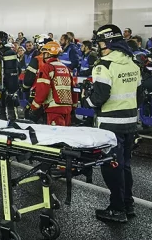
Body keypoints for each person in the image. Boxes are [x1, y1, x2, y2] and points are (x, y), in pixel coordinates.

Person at [81, 24, 141, 222]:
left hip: (110, 125)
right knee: (125, 165)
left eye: (99, 43)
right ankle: (128, 204)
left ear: (107, 43)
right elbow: (139, 94)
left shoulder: (103, 65)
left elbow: (99, 97)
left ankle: (117, 209)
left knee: (111, 167)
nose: (98, 47)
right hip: (130, 123)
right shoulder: (133, 63)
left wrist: (85, 101)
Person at [27, 41, 73, 126]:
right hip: (67, 109)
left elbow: (42, 90)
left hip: (53, 108)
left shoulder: (47, 68)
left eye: (44, 53)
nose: (43, 56)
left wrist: (34, 106)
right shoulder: (66, 68)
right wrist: (74, 106)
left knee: (55, 133)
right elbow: (74, 89)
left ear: (48, 54)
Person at [0, 31, 19, 121]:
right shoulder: (6, 52)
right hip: (5, 86)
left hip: (6, 86)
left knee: (8, 109)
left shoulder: (8, 53)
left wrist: (10, 88)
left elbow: (12, 71)